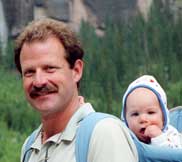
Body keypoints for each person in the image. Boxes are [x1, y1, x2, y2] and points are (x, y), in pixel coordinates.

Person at [14, 18, 138, 162]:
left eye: (50, 68)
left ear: (76, 71)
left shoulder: (104, 134)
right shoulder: (30, 147)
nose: (39, 81)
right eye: (29, 72)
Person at [121, 75, 182, 148]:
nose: (142, 119)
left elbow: (176, 156)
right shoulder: (125, 137)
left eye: (150, 112)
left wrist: (159, 139)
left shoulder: (171, 134)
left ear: (163, 117)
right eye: (135, 114)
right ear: (125, 119)